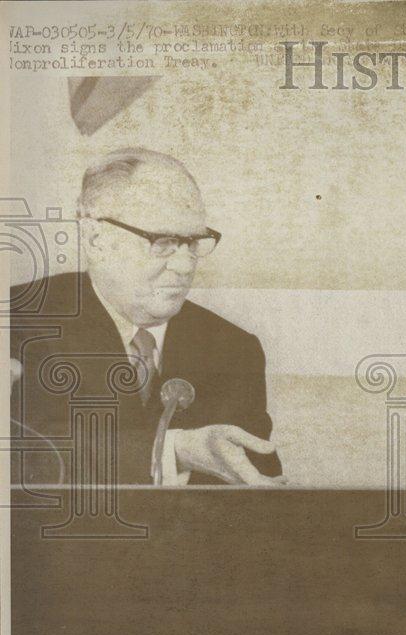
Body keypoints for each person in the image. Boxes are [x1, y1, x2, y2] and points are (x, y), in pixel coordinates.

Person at [11, 147, 283, 485]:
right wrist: (174, 451)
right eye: (162, 241)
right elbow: (20, 458)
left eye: (194, 242)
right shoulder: (18, 323)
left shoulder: (234, 348)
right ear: (96, 238)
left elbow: (260, 492)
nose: (184, 266)